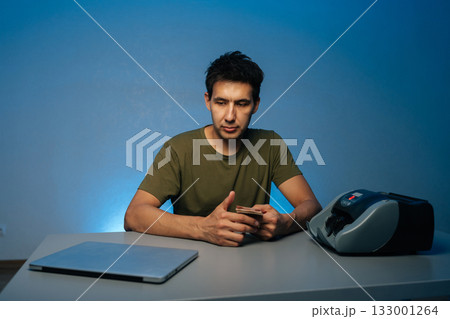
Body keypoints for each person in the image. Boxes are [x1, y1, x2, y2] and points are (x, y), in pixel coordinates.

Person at [124, 51, 322, 247]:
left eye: (242, 104)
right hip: (192, 261)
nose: (229, 116)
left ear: (255, 105)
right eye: (221, 102)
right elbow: (134, 215)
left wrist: (285, 223)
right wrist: (203, 228)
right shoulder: (178, 148)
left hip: (255, 262)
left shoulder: (270, 144)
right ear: (207, 101)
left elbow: (311, 206)